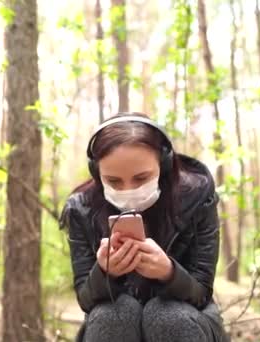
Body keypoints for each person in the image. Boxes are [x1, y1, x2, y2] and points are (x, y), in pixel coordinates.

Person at [59, 113, 229, 342]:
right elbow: (86, 300)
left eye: (141, 178)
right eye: (114, 181)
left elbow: (201, 293)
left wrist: (169, 272)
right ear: (97, 173)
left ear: (164, 164)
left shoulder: (197, 197)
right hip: (113, 325)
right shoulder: (81, 209)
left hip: (186, 321)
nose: (128, 189)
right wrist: (104, 272)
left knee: (167, 315)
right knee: (114, 315)